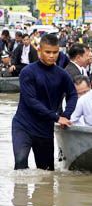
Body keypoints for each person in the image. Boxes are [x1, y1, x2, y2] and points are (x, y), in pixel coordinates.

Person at [12, 34, 78, 170]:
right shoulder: (27, 72)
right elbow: (31, 101)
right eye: (48, 52)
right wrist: (57, 117)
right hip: (23, 125)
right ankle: (19, 190)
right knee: (20, 162)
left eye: (55, 52)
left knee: (46, 171)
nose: (52, 56)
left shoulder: (62, 74)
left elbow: (72, 94)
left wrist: (66, 114)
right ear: (39, 51)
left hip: (45, 129)